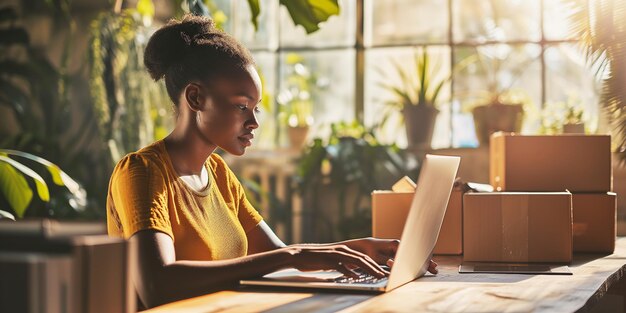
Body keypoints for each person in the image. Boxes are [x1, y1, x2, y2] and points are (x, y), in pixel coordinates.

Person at [106, 14, 437, 309]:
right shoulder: (143, 171)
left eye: (256, 109)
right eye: (241, 106)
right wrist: (293, 255)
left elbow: (281, 256)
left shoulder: (217, 173)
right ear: (195, 97)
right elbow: (157, 286)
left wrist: (359, 248)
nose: (254, 123)